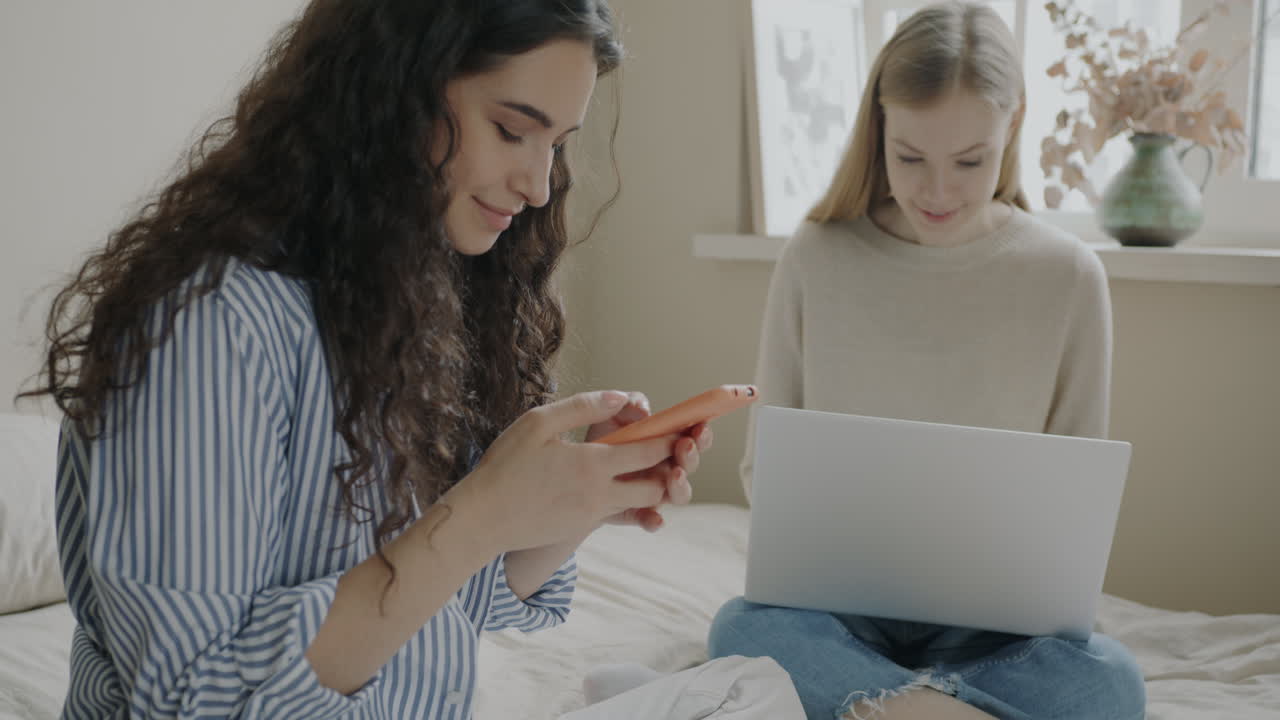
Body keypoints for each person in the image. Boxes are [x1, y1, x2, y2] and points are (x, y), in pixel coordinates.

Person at [22, 2, 726, 717]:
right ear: (392, 92)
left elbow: (433, 601)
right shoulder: (209, 324)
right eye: (513, 131)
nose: (540, 186)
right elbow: (193, 695)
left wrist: (575, 500)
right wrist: (480, 514)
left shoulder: (396, 297)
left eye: (557, 145)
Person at [706, 2, 1147, 719]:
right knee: (740, 629)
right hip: (840, 612)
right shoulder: (817, 256)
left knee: (1111, 681)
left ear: (1014, 125)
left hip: (996, 630)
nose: (937, 192)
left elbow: (1076, 503)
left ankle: (892, 708)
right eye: (910, 157)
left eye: (970, 162)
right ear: (878, 127)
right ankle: (950, 711)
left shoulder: (1067, 276)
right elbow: (768, 467)